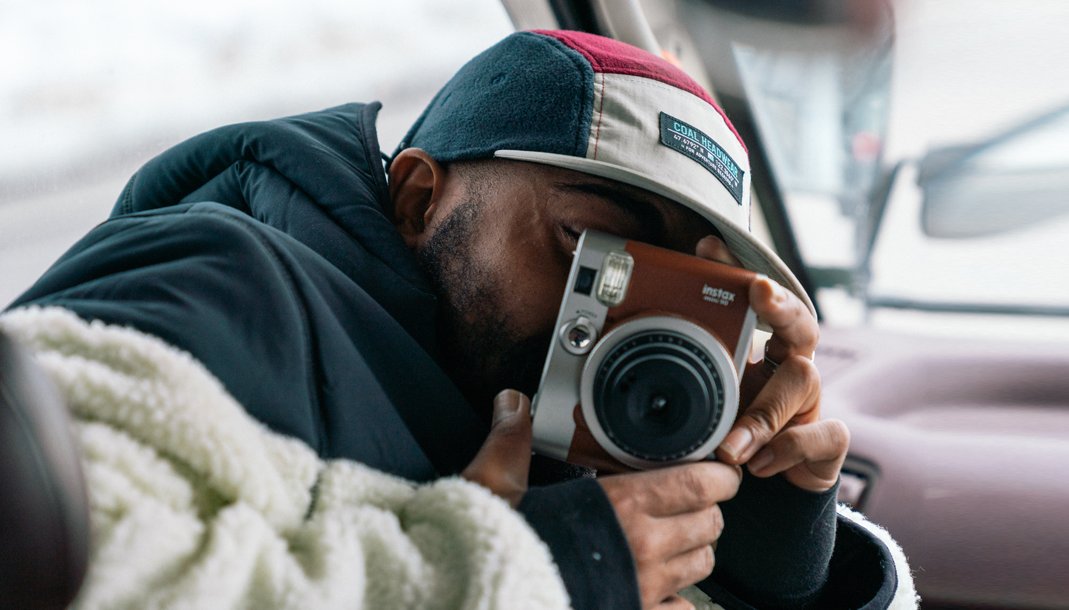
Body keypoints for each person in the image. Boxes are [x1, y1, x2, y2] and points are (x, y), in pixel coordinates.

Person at [2, 30, 917, 609]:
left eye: (675, 286)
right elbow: (61, 566)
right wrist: (518, 579)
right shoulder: (216, 284)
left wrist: (770, 555)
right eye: (586, 246)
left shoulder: (546, 420)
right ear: (417, 199)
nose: (618, 314)